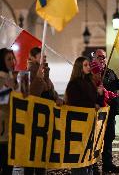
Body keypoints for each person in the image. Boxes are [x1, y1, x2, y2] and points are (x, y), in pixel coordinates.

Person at [25, 47, 63, 175]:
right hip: (35, 116)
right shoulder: (31, 71)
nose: (45, 58)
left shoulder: (44, 71)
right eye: (41, 56)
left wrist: (57, 98)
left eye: (45, 56)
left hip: (44, 116)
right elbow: (32, 93)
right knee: (33, 149)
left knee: (42, 148)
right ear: (33, 58)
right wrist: (40, 78)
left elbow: (50, 90)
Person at [65, 56, 104, 175]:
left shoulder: (89, 82)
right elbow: (75, 103)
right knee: (80, 157)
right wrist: (92, 104)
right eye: (85, 65)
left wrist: (100, 95)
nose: (88, 67)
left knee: (88, 154)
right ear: (79, 68)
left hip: (89, 125)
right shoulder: (73, 84)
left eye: (89, 65)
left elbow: (97, 102)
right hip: (79, 126)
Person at [91, 49, 119, 173]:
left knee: (109, 137)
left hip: (110, 111)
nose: (103, 59)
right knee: (96, 138)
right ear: (94, 57)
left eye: (104, 57)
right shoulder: (91, 72)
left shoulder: (109, 72)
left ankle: (107, 164)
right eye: (100, 57)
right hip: (98, 111)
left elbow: (117, 85)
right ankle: (93, 165)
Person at [0, 48, 17, 175]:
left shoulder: (14, 80)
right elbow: (3, 102)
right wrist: (9, 88)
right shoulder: (2, 80)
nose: (13, 62)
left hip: (12, 132)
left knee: (8, 168)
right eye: (9, 59)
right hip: (2, 133)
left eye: (13, 58)